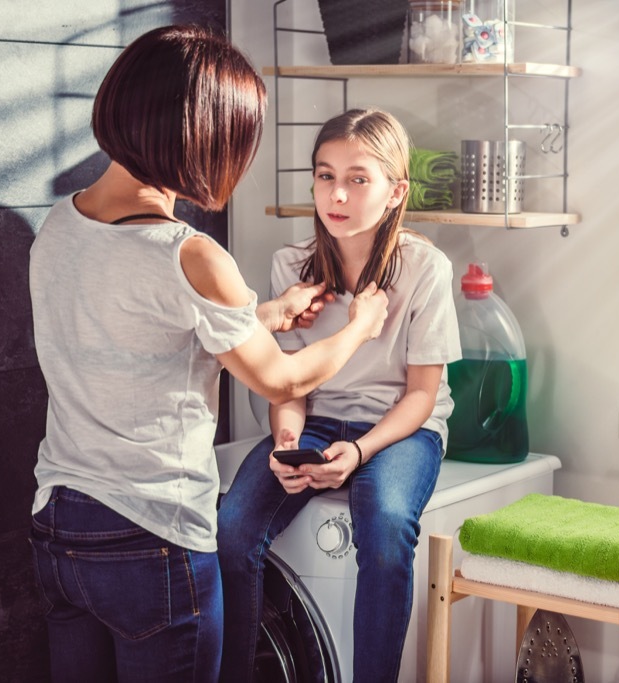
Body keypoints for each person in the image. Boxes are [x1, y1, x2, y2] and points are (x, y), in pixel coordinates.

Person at [27, 26, 388, 683]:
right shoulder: (189, 254)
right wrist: (361, 325)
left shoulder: (57, 226)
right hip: (151, 538)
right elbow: (280, 374)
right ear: (201, 139)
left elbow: (137, 329)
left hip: (61, 529)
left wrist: (268, 314)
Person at [217, 108, 462, 682]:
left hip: (401, 428)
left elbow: (422, 396)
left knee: (384, 529)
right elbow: (289, 383)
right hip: (317, 421)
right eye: (326, 176)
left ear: (396, 190)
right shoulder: (292, 265)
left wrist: (361, 452)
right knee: (231, 529)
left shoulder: (424, 268)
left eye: (358, 178)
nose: (338, 194)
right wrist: (286, 440)